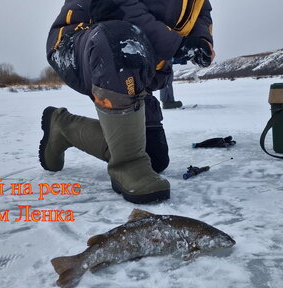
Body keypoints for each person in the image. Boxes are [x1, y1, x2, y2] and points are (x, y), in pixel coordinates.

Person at [40, 0, 215, 204]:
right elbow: (116, 6)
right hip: (82, 37)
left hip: (141, 58)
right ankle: (127, 164)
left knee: (153, 157)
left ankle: (63, 127)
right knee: (120, 39)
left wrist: (201, 40)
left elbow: (202, 11)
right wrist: (179, 45)